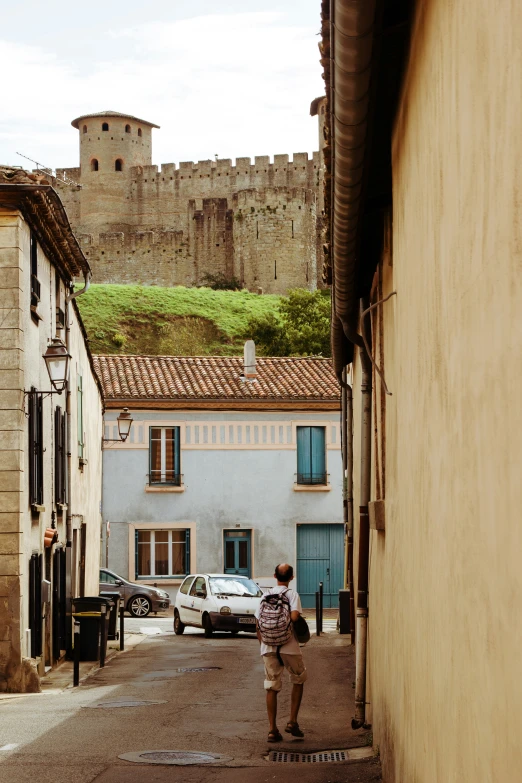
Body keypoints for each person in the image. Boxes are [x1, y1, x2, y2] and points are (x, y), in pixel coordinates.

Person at [255, 563, 307, 743]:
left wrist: (266, 643)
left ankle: (272, 730)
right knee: (298, 679)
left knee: (271, 686)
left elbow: (258, 624)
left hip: (268, 647)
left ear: (274, 575)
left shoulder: (265, 595)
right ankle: (292, 721)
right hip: (289, 646)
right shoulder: (292, 595)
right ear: (291, 577)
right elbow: (293, 617)